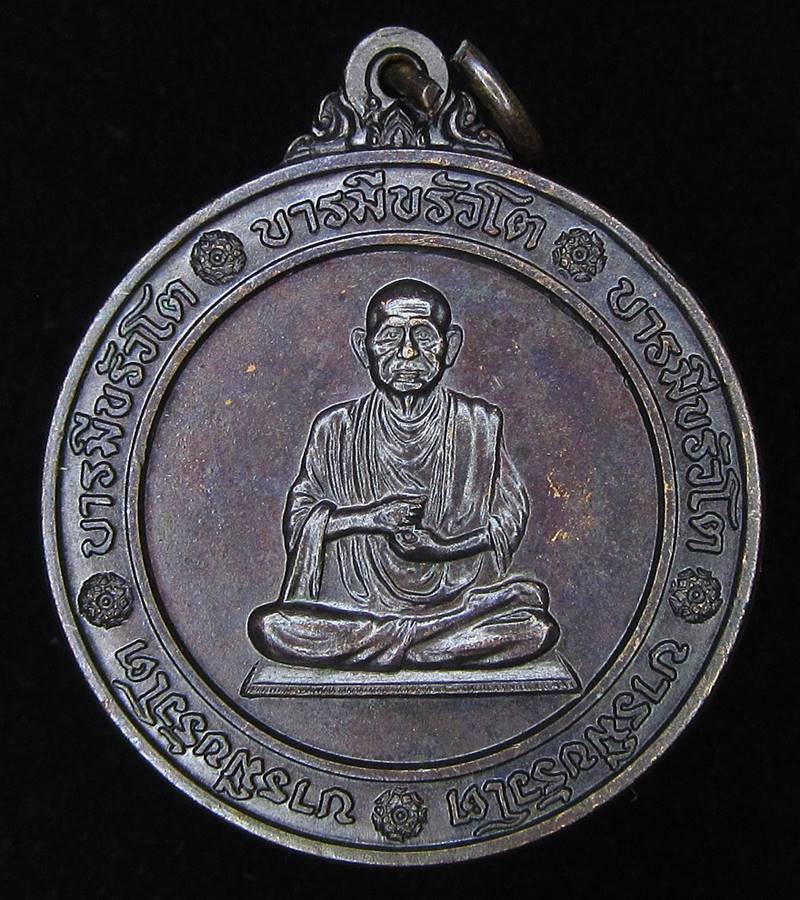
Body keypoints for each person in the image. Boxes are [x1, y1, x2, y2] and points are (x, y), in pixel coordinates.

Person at [247, 279, 560, 670]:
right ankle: (426, 644)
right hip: (362, 608)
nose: (408, 352)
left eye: (424, 337)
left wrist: (441, 549)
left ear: (451, 347)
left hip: (454, 601)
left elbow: (507, 524)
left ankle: (400, 643)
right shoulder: (336, 428)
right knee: (271, 627)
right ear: (363, 348)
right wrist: (371, 518)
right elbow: (300, 523)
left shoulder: (478, 424)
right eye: (391, 337)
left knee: (535, 628)